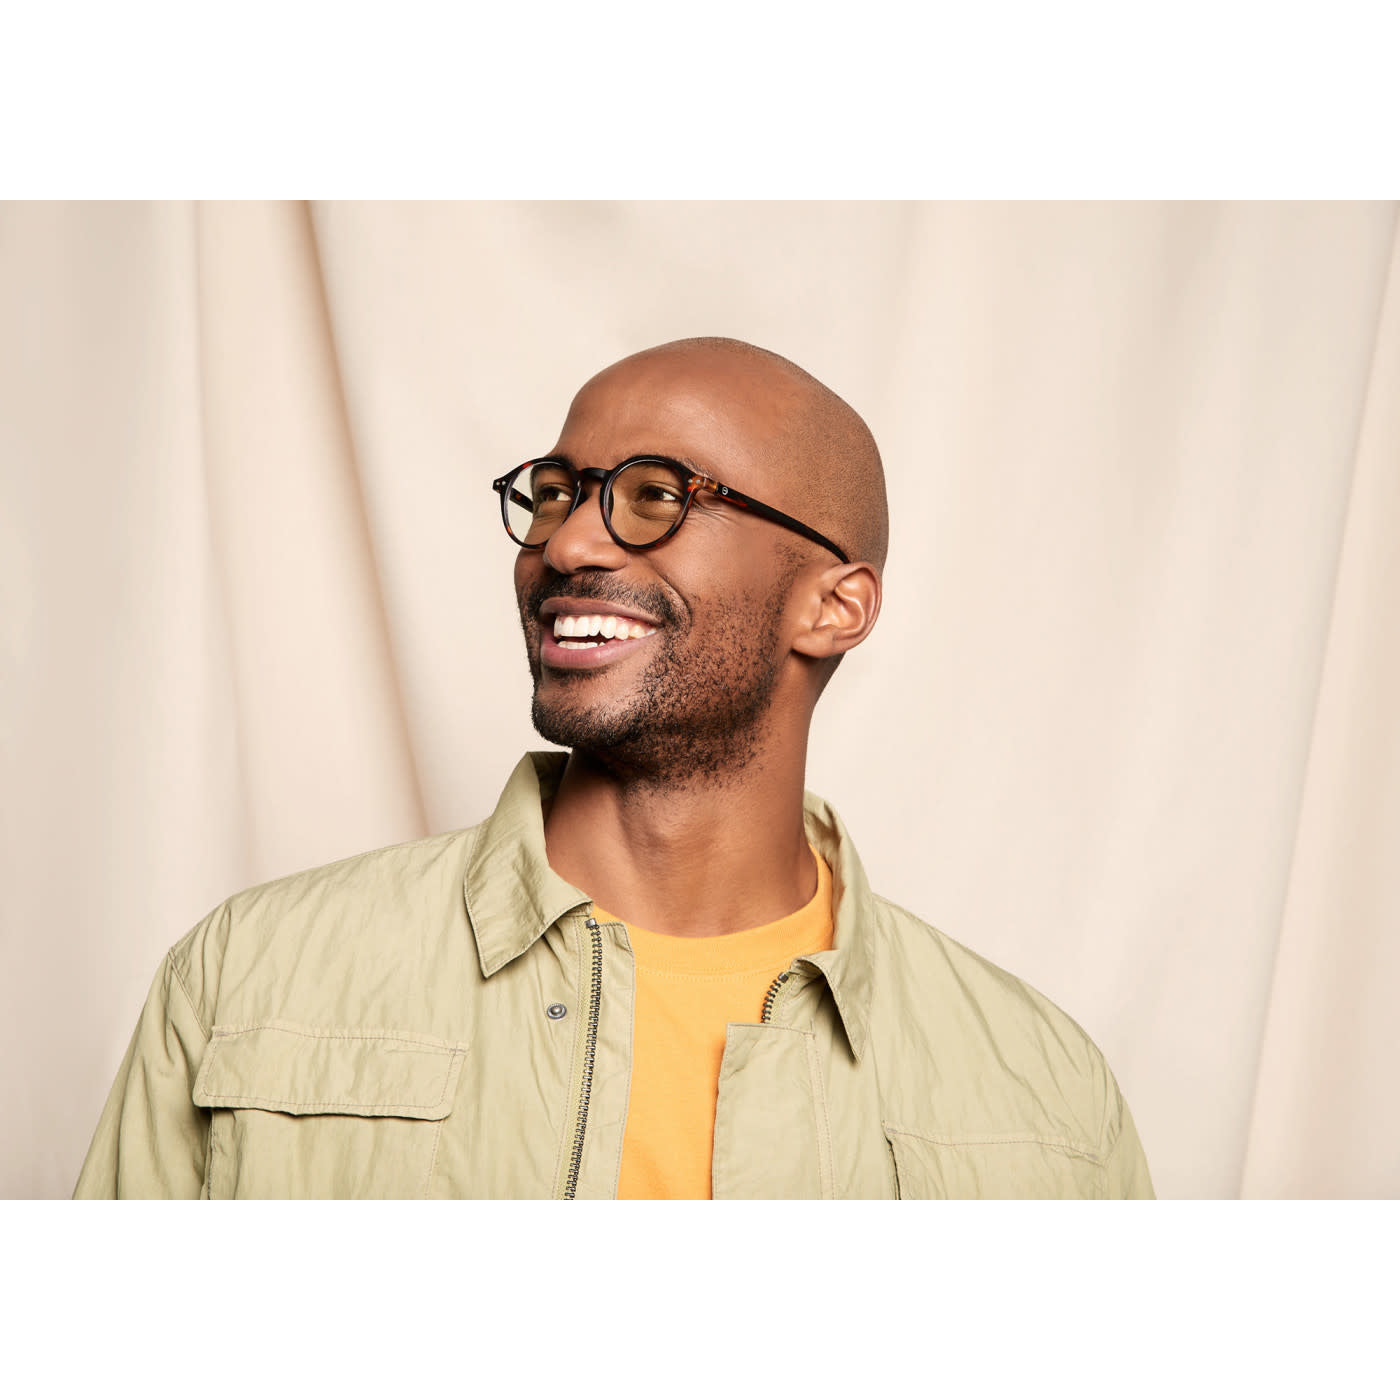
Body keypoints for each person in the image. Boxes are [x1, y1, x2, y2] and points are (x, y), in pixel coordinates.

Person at [74, 337, 1154, 1199]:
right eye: (555, 492)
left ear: (834, 606)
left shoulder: (1045, 1095)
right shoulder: (251, 977)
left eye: (655, 495)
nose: (566, 545)